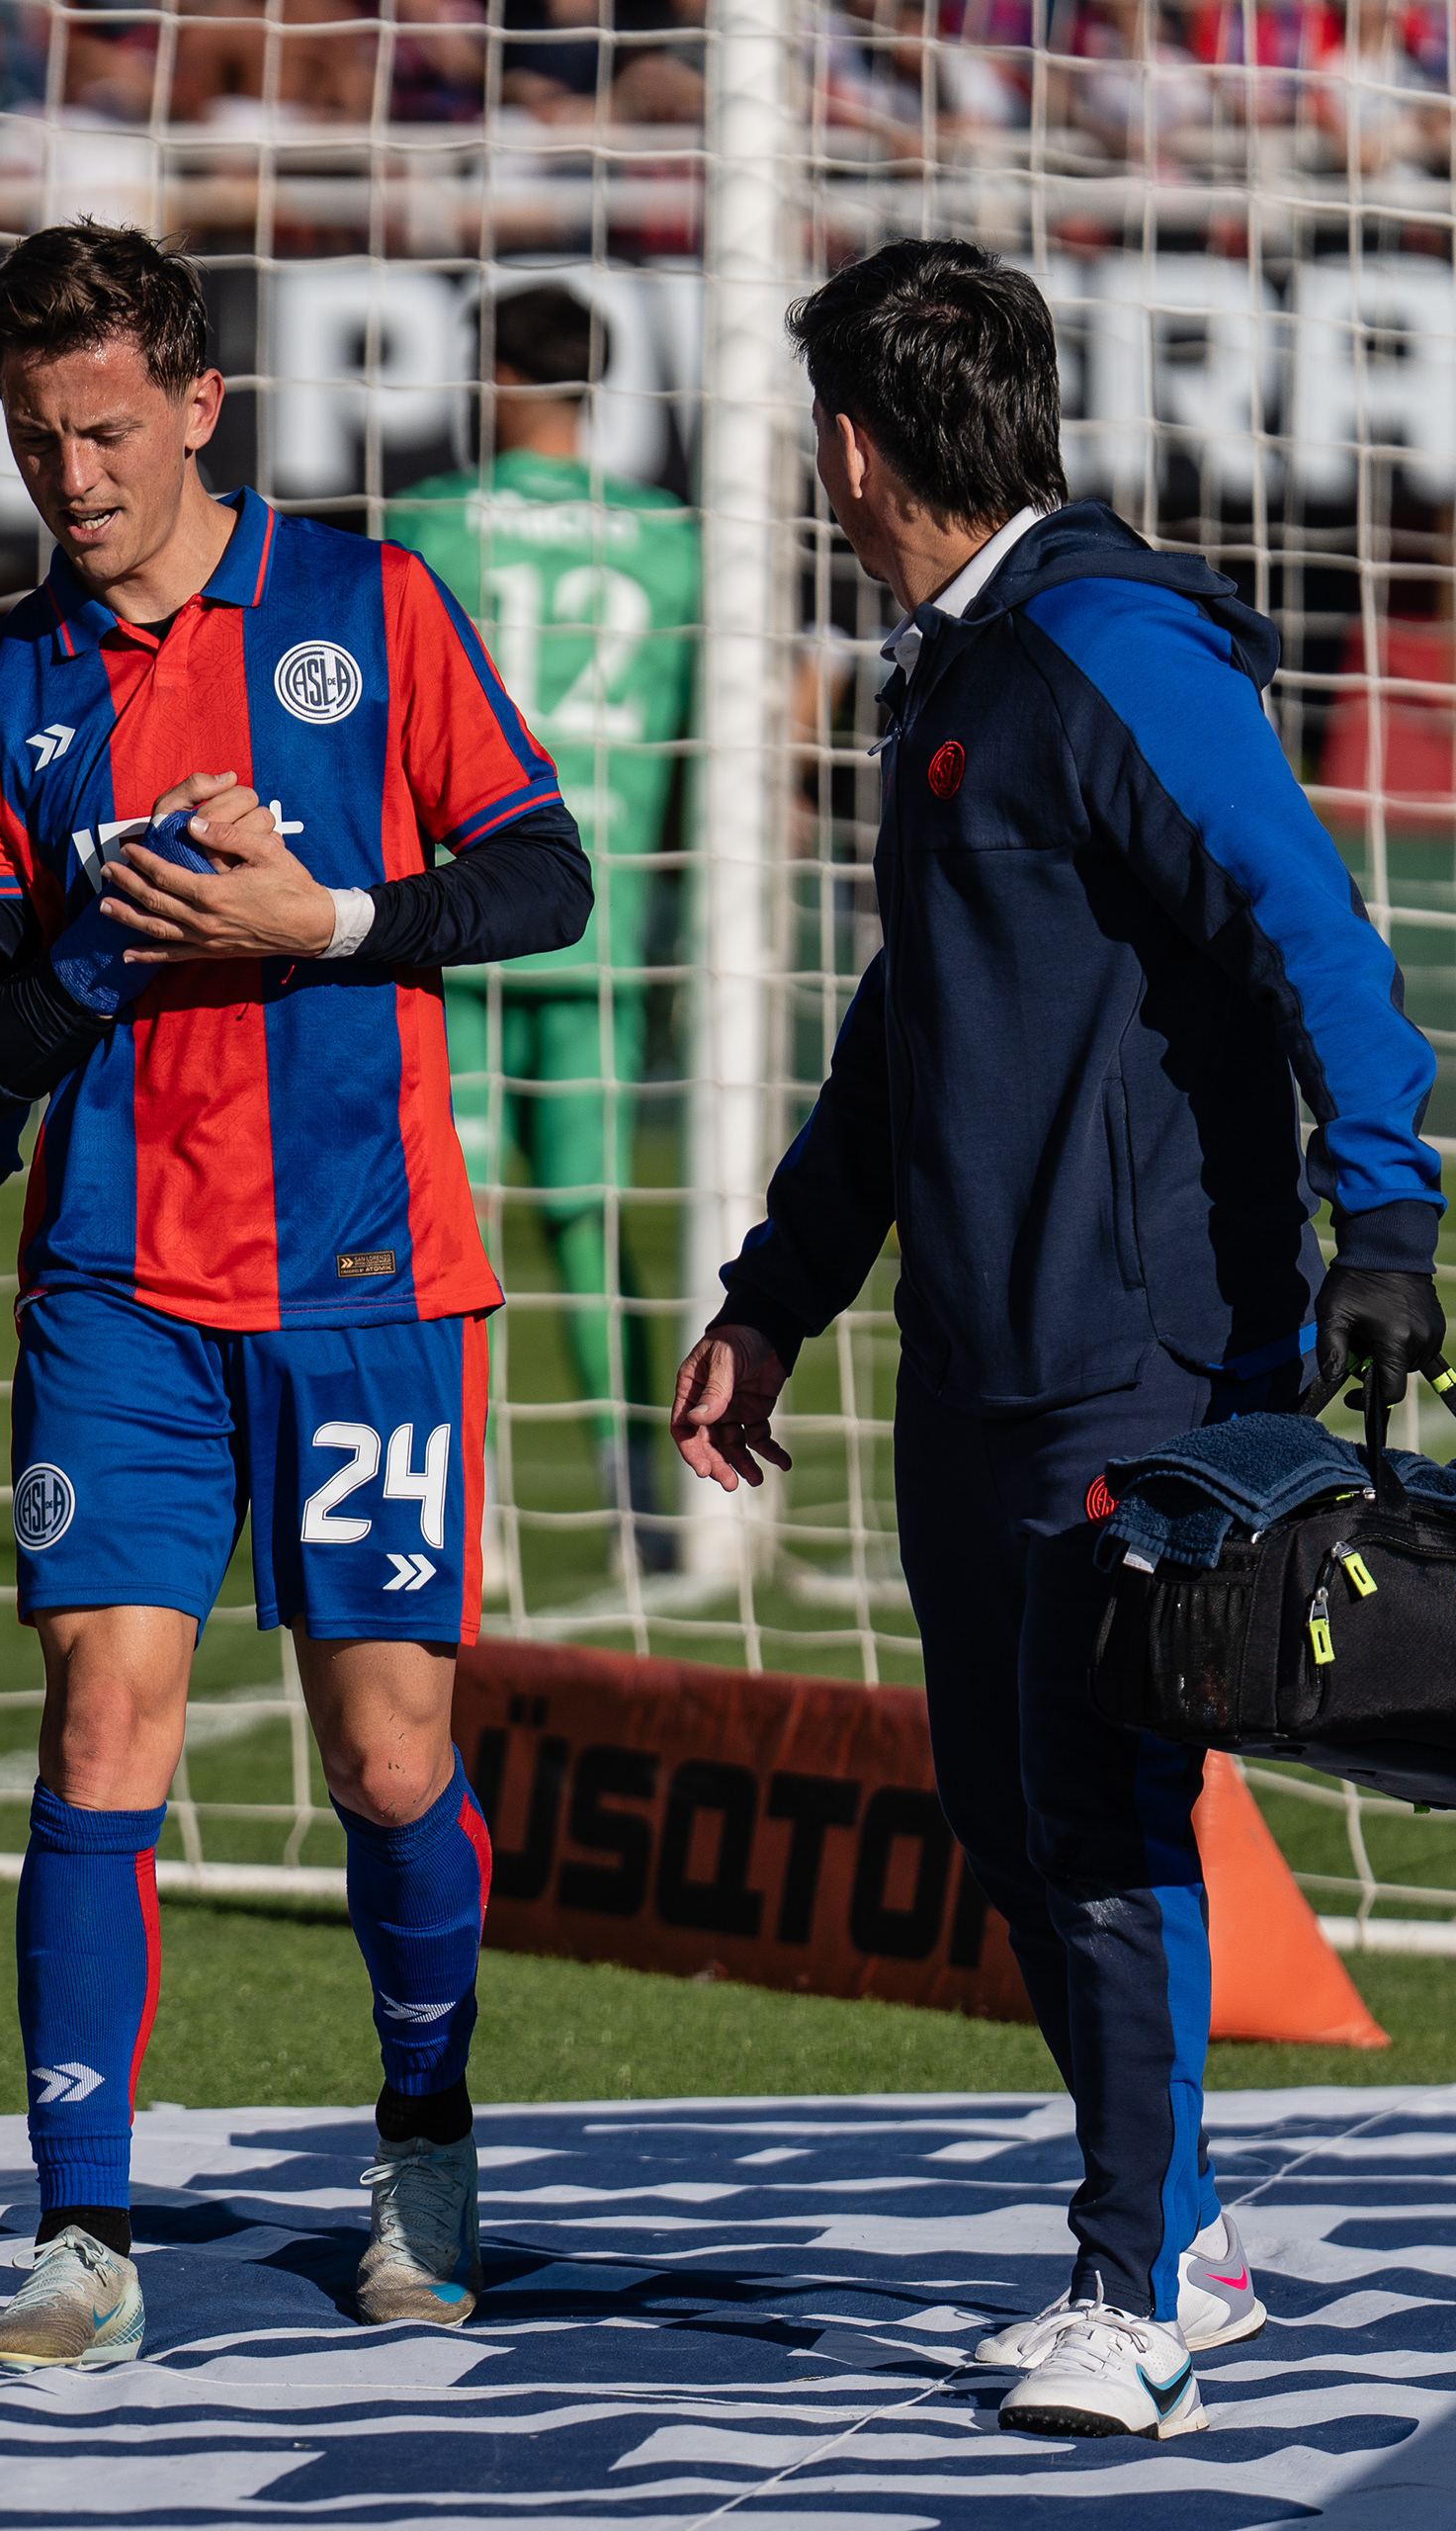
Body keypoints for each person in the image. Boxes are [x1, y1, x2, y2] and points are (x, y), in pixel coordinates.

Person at [670, 238, 1444, 2444]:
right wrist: (777, 1290)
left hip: (1146, 1351)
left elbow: (1318, 927)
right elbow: (901, 1040)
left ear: (846, 443)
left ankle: (1136, 2284)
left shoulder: (1106, 647)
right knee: (1015, 1812)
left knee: (1099, 1805)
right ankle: (1181, 2228)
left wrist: (1386, 1205)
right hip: (977, 1352)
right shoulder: (954, 671)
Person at [0, 221, 592, 2365]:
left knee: (391, 1761)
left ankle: (423, 2140)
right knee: (101, 1723)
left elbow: (544, 874)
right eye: (36, 439)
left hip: (371, 1287)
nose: (73, 477)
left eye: (106, 429)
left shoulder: (368, 605)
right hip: (115, 1292)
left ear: (203, 405)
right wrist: (105, 949)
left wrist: (330, 912)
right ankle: (84, 2231)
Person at [385, 285, 700, 1570]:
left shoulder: (428, 527)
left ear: (499, 374)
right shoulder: (671, 539)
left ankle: (472, 1509)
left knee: (447, 1217)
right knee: (591, 1212)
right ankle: (641, 1505)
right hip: (607, 912)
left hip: (459, 910)